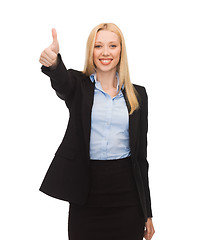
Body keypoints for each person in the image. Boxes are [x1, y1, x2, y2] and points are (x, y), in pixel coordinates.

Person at [39, 23, 155, 240]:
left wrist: (147, 212)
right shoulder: (78, 87)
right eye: (98, 46)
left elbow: (141, 158)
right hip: (86, 193)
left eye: (112, 46)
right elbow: (62, 82)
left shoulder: (138, 95)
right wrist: (54, 63)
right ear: (91, 51)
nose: (105, 52)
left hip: (127, 197)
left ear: (121, 51)